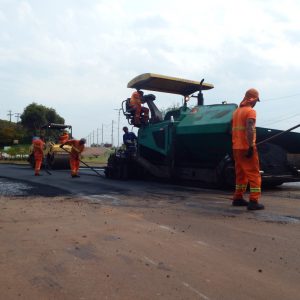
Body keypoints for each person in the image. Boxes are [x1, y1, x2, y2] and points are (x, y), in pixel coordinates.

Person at [231, 88, 264, 210]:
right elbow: (250, 128)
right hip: (246, 147)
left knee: (241, 174)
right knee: (254, 174)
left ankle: (238, 198)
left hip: (236, 148)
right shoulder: (251, 112)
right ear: (253, 99)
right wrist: (250, 145)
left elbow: (231, 130)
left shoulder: (236, 112)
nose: (256, 103)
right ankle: (254, 201)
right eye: (256, 100)